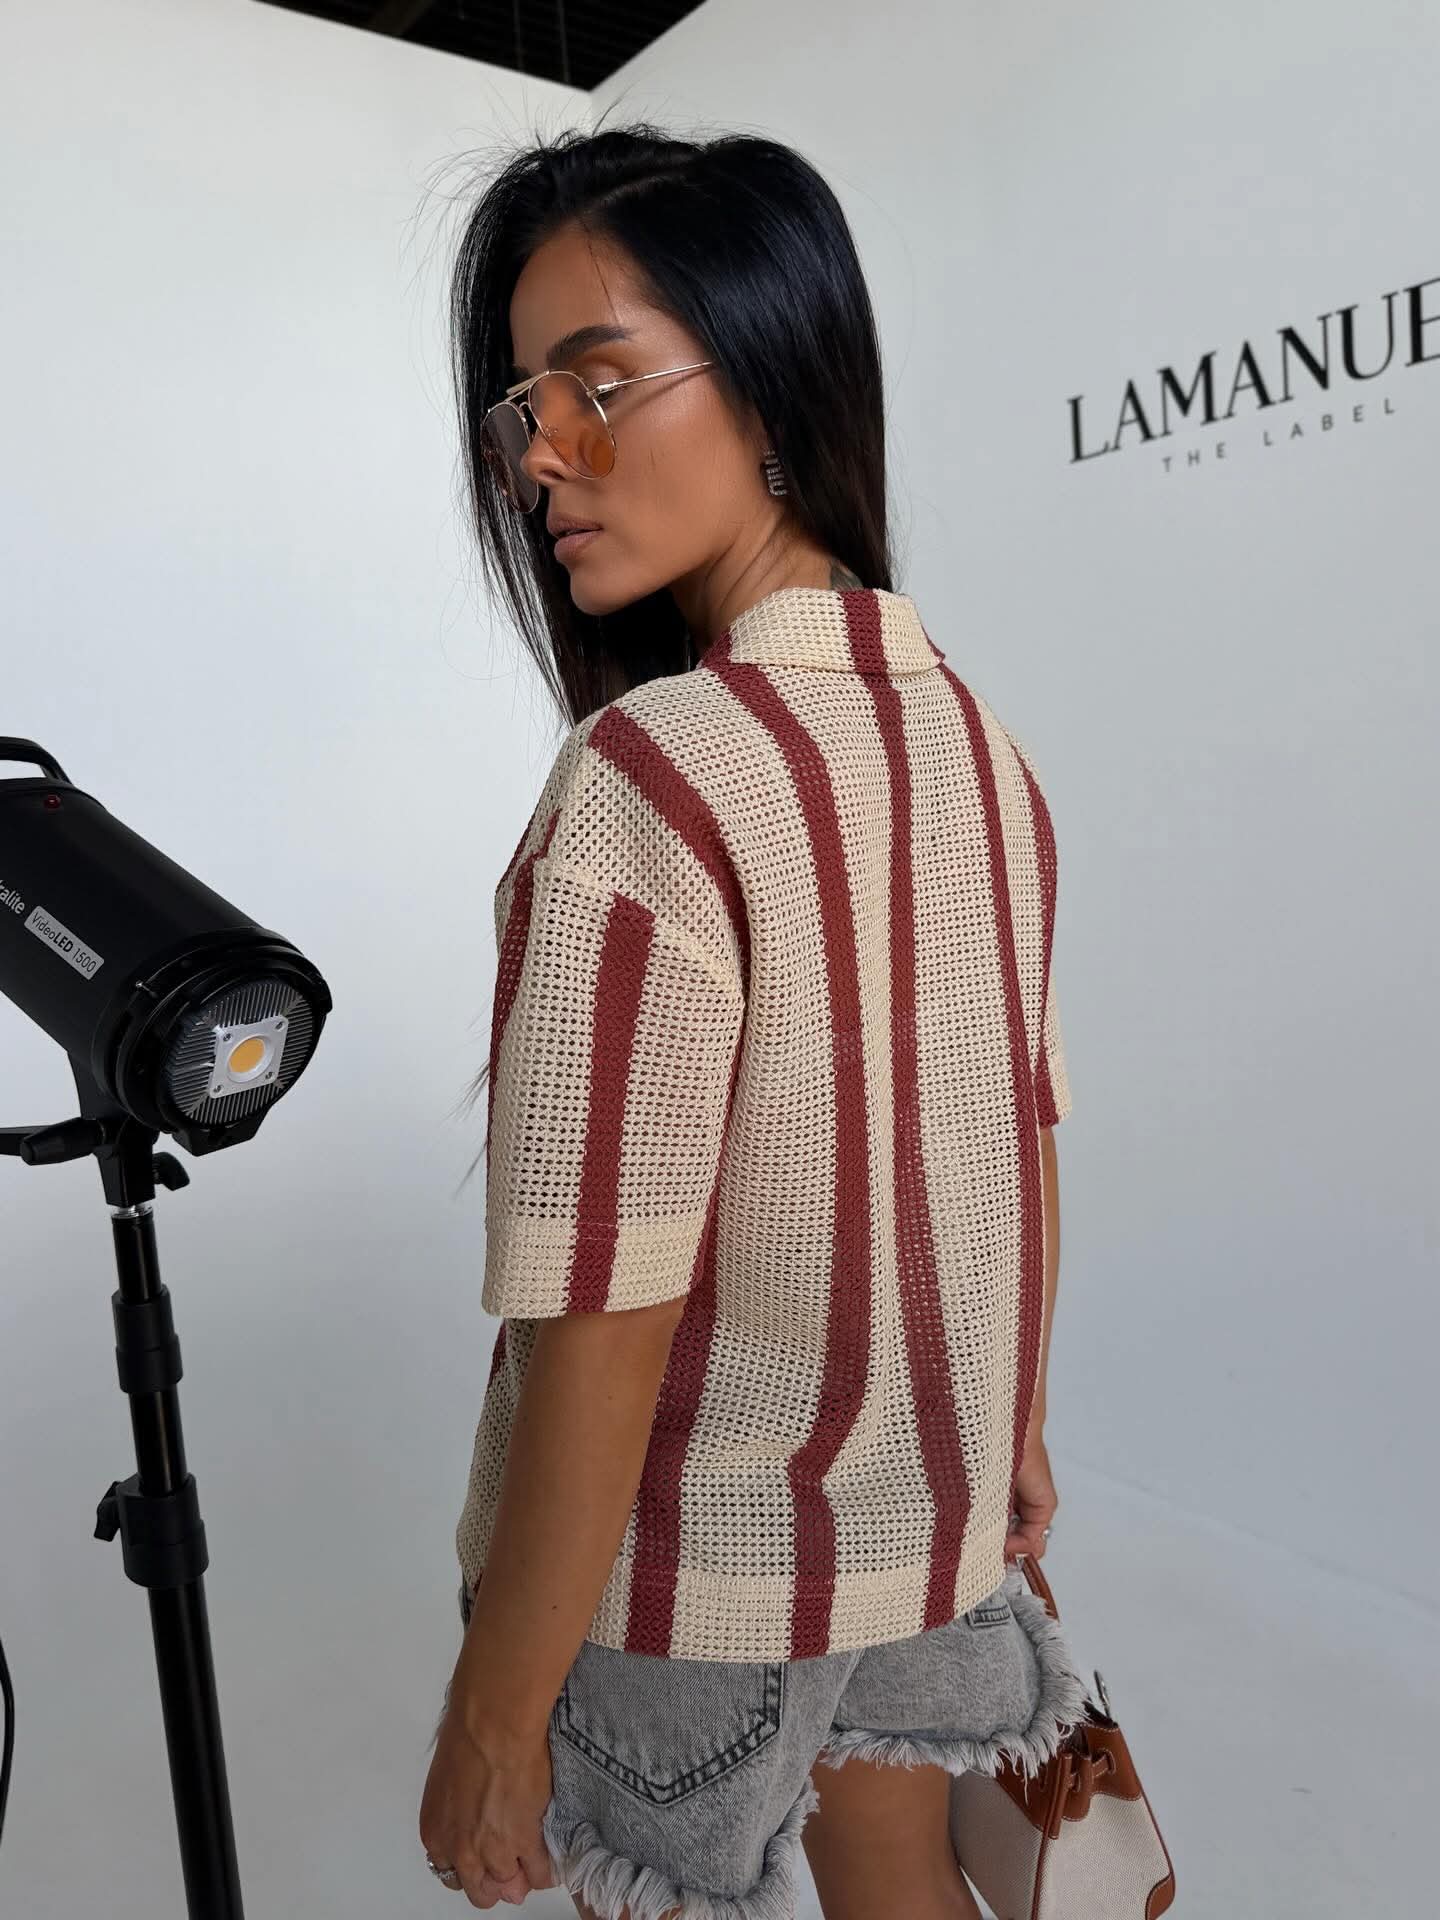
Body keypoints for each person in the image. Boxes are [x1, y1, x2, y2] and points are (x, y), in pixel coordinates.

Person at [418, 114, 1085, 1920]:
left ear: (776, 378)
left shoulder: (652, 774)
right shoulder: (984, 751)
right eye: (522, 409)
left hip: (692, 1574)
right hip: (926, 1517)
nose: (541, 459)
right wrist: (1011, 1431)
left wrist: (496, 1710)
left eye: (598, 386)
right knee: (903, 1889)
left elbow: (611, 1298)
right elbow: (1015, 1135)